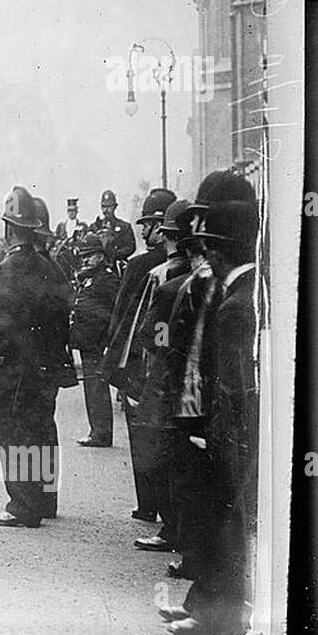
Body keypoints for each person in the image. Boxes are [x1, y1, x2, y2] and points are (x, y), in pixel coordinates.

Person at [161, 199, 260, 635]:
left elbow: (235, 389)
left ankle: (213, 615)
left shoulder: (235, 305)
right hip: (228, 433)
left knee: (225, 527)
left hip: (229, 437)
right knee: (223, 527)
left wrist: (214, 436)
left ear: (219, 252)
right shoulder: (240, 292)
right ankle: (205, 606)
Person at [0, 186, 72, 528]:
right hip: (44, 366)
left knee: (14, 434)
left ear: (8, 228)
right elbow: (63, 314)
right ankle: (46, 498)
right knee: (42, 429)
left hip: (13, 371)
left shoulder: (8, 268)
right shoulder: (50, 267)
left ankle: (21, 504)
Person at [131, 198, 202, 553]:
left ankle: (172, 530)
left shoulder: (167, 282)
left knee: (167, 454)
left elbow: (153, 336)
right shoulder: (203, 279)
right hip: (200, 388)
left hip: (167, 383)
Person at [99, 187, 175, 464]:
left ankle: (145, 506)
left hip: (140, 363)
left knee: (142, 439)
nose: (144, 232)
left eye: (149, 226)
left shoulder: (140, 265)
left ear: (161, 227)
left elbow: (120, 315)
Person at [68, 233, 119, 448]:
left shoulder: (108, 279)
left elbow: (114, 313)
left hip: (98, 343)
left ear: (101, 256)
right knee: (91, 387)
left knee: (97, 388)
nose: (86, 260)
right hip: (89, 342)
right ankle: (96, 430)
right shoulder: (89, 278)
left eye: (90, 256)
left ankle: (101, 433)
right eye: (84, 256)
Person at [89, 189, 136, 267]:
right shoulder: (94, 227)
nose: (106, 210)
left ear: (115, 206)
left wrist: (114, 254)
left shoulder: (124, 227)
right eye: (103, 206)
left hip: (117, 263)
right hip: (97, 264)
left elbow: (130, 247)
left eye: (109, 206)